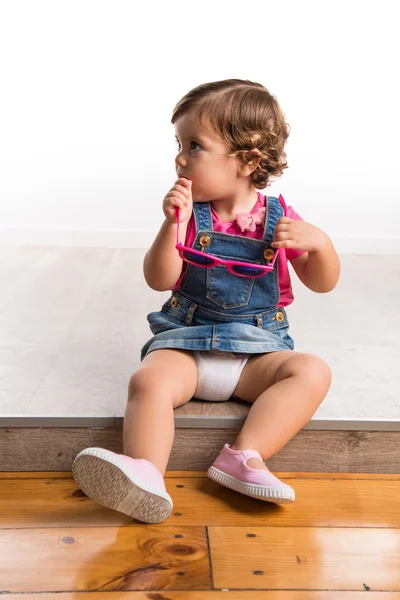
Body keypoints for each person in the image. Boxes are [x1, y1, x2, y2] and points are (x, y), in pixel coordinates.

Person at [72, 78, 340, 524]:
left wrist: (323, 245)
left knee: (312, 371)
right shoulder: (191, 215)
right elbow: (160, 279)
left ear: (247, 160)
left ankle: (245, 456)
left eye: (194, 145)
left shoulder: (279, 219)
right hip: (188, 347)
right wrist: (169, 227)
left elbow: (321, 282)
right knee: (148, 382)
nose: (179, 158)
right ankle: (145, 473)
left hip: (256, 353)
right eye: (178, 144)